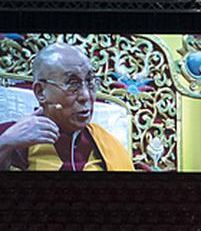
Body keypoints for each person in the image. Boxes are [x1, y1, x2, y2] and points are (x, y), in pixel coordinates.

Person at [0, 43, 136, 171]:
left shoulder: (107, 145)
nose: (86, 96)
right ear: (41, 92)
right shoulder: (13, 136)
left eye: (90, 82)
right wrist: (5, 143)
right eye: (73, 84)